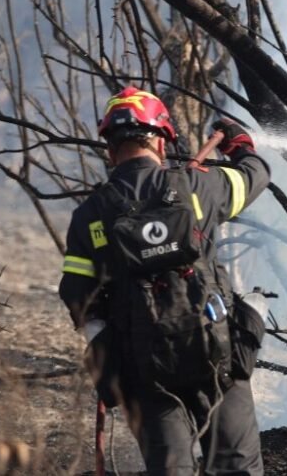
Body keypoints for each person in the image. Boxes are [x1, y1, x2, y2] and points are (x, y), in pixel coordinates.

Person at [59, 86, 270, 476]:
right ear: (160, 140)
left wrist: (106, 344)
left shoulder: (90, 215)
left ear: (110, 149)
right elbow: (255, 175)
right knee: (236, 468)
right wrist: (239, 145)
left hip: (145, 372)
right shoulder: (198, 187)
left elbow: (77, 294)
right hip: (217, 355)